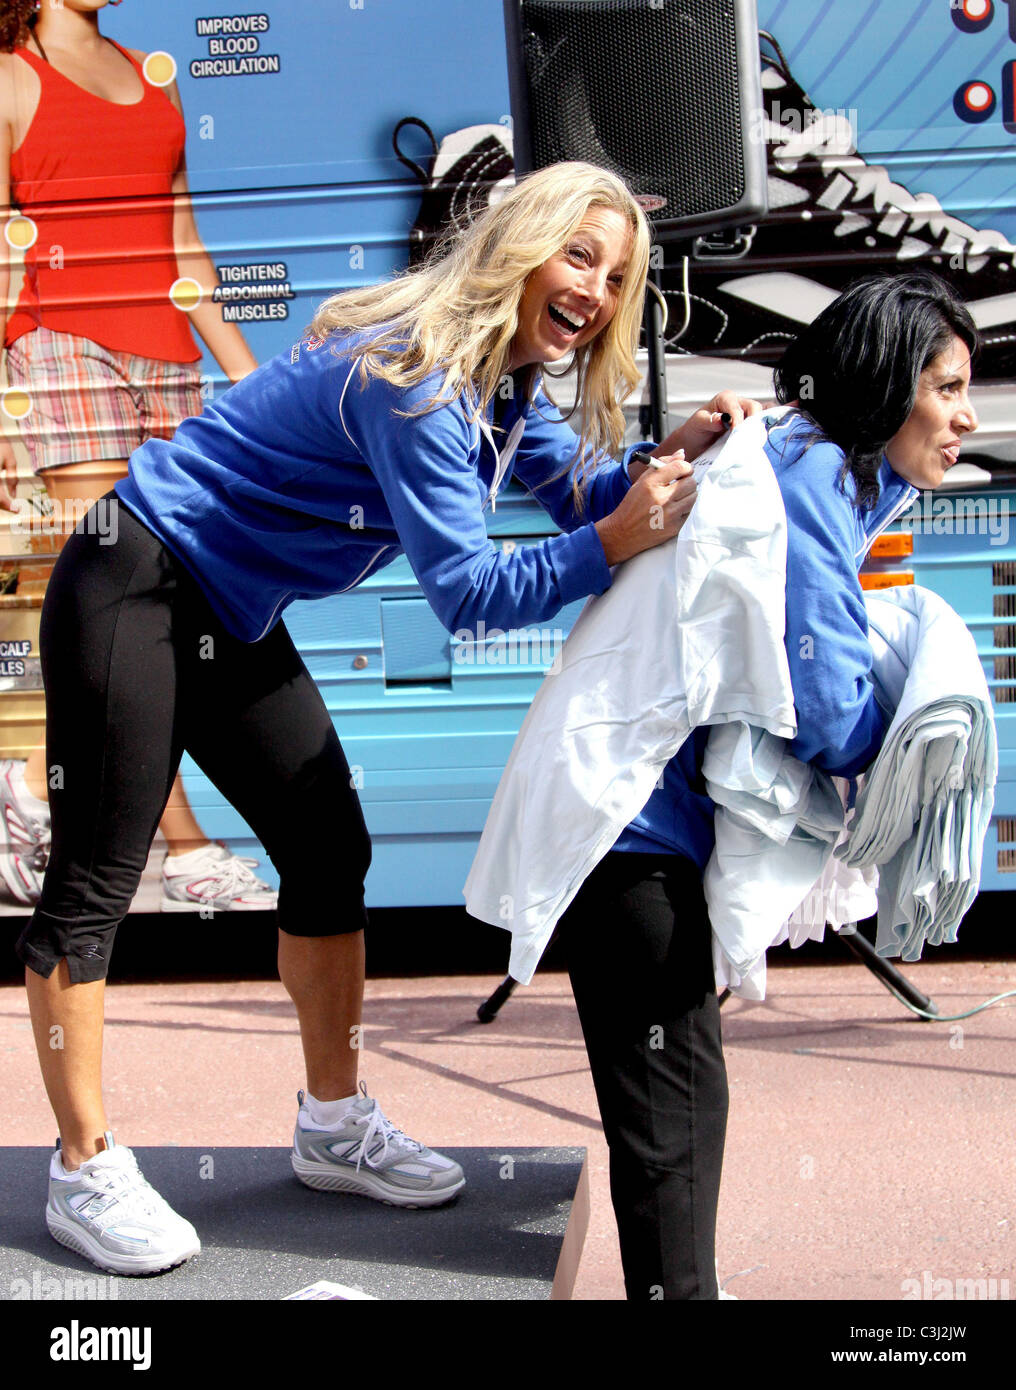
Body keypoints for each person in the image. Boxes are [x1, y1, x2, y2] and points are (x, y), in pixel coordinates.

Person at [13, 156, 758, 1276]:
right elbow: (468, 595)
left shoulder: (505, 384)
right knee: (95, 883)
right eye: (578, 256)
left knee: (327, 846)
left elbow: (582, 497)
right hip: (133, 577)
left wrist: (674, 456)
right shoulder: (418, 382)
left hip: (225, 602)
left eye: (614, 276)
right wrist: (613, 542)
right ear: (522, 247)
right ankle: (84, 1168)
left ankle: (331, 1122)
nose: (595, 292)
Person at [552, 270, 978, 1299]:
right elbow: (827, 707)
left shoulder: (814, 463)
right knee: (672, 1112)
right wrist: (919, 732)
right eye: (948, 386)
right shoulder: (813, 476)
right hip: (629, 829)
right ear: (885, 384)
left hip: (642, 825)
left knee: (678, 1104)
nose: (966, 415)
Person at [0, 0, 273, 911]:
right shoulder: (8, 76)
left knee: (167, 604)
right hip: (60, 345)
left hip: (167, 357)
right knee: (120, 595)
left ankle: (32, 786)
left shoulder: (154, 76)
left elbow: (183, 248)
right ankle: (188, 847)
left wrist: (256, 385)